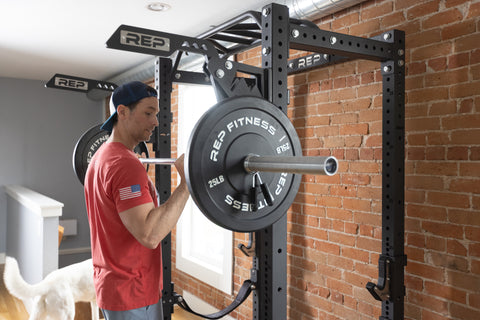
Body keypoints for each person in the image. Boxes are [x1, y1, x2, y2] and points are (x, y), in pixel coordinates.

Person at [84, 81, 190, 319]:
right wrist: (186, 184)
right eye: (148, 113)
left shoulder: (102, 156)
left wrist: (143, 182)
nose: (155, 121)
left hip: (115, 285)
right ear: (122, 112)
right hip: (131, 290)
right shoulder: (124, 164)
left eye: (156, 114)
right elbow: (150, 235)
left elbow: (117, 207)